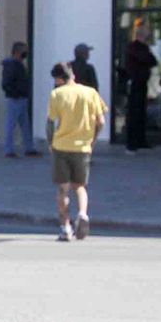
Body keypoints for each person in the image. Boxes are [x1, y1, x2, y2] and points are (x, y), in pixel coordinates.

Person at [47, 62, 107, 241]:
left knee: (63, 189)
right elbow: (101, 121)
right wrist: (92, 139)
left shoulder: (56, 94)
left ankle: (65, 227)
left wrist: (50, 143)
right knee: (80, 187)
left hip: (62, 146)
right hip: (83, 147)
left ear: (58, 79)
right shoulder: (90, 93)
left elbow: (50, 122)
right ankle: (82, 214)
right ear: (72, 74)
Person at [123, 24, 158, 153]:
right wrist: (147, 57)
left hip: (142, 82)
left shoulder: (143, 48)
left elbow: (153, 61)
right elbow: (146, 58)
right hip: (135, 83)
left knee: (141, 112)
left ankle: (141, 140)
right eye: (146, 35)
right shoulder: (134, 47)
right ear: (140, 36)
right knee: (134, 113)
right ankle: (131, 144)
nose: (147, 37)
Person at [1, 41, 39, 157]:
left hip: (21, 98)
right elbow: (6, 83)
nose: (25, 53)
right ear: (17, 52)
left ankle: (29, 148)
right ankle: (9, 150)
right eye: (24, 51)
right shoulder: (12, 65)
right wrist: (16, 93)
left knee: (25, 124)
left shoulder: (18, 64)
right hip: (15, 98)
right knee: (11, 124)